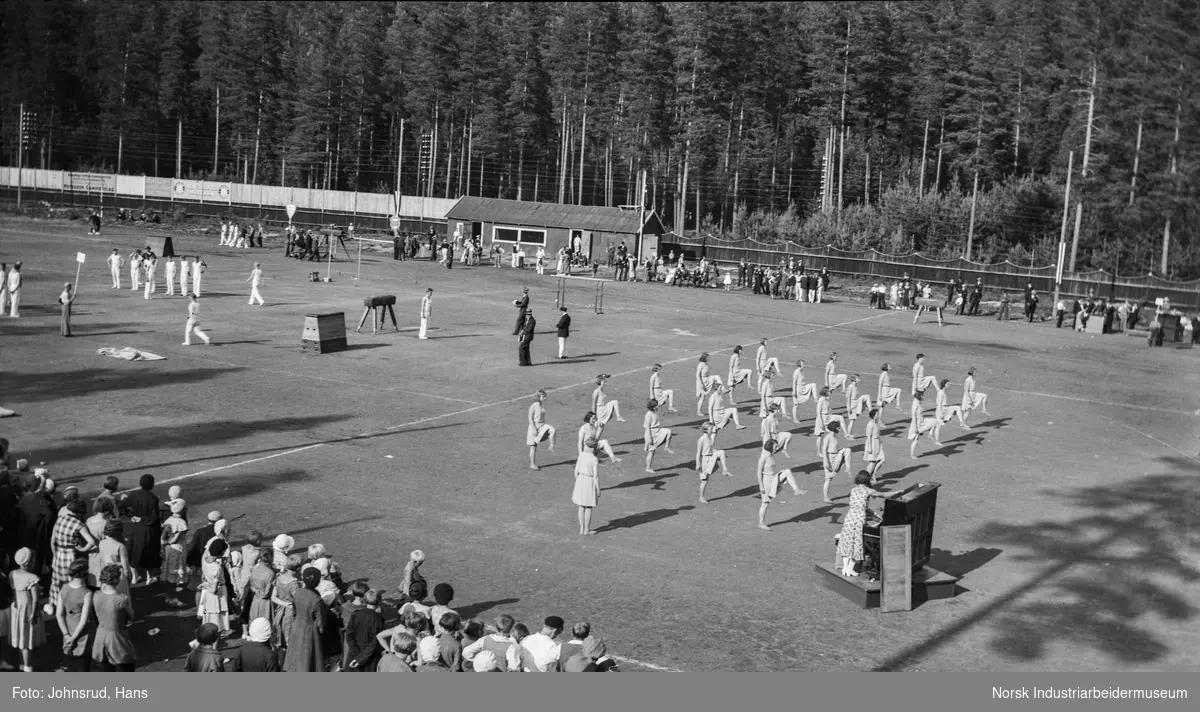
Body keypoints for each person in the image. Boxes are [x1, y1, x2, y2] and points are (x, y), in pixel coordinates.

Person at [837, 472, 893, 577]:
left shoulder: (853, 490)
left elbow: (861, 506)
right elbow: (884, 495)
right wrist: (900, 492)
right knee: (857, 543)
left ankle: (845, 568)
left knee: (847, 542)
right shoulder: (868, 490)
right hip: (858, 520)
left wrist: (875, 514)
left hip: (849, 518)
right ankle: (850, 569)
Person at [91, 564, 136, 671]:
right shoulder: (121, 599)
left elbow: (76, 611)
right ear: (117, 580)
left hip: (100, 637)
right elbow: (131, 616)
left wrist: (71, 612)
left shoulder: (96, 595)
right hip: (117, 639)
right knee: (125, 668)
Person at [9, 548, 45, 671]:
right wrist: (34, 613)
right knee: (27, 639)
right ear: (29, 562)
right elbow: (35, 599)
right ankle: (28, 666)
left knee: (20, 637)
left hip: (17, 608)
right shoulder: (32, 577)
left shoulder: (12, 573)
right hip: (28, 609)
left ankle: (21, 663)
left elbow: (14, 591)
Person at [55, 559, 95, 671]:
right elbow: (83, 619)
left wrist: (66, 635)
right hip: (83, 633)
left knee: (71, 662)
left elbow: (61, 614)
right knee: (84, 664)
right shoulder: (87, 593)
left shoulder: (64, 588)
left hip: (69, 628)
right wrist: (74, 638)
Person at [756, 440, 805, 531]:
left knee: (787, 472)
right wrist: (761, 486)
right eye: (775, 446)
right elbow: (758, 472)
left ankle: (796, 490)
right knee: (765, 503)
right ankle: (761, 523)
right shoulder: (763, 457)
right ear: (770, 446)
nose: (776, 447)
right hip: (767, 482)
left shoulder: (771, 454)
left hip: (773, 479)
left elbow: (778, 450)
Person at [124, 473, 162, 588]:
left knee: (133, 550)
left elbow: (121, 506)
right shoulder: (153, 499)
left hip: (136, 528)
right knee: (149, 552)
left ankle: (135, 577)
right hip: (149, 530)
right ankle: (149, 577)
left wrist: (131, 516)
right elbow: (154, 518)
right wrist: (142, 519)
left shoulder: (134, 495)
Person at [286, 567, 327, 671]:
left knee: (295, 655)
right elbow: (321, 623)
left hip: (297, 626)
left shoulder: (298, 592)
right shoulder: (316, 600)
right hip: (310, 631)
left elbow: (294, 611)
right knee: (308, 659)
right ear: (317, 581)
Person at [345, 589, 385, 671]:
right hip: (370, 657)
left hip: (354, 653)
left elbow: (349, 637)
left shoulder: (355, 614)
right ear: (379, 601)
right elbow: (374, 642)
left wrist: (357, 655)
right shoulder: (378, 619)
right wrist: (360, 658)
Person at [695, 423, 733, 504]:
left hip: (710, 458)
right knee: (704, 480)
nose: (712, 430)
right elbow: (698, 453)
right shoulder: (701, 439)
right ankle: (701, 497)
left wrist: (716, 431)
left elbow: (711, 446)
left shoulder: (709, 438)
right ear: (706, 429)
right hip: (704, 460)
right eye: (711, 429)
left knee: (722, 452)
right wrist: (698, 464)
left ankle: (725, 470)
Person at [573, 438, 602, 535]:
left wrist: (578, 481)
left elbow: (576, 470)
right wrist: (598, 489)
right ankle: (586, 529)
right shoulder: (594, 459)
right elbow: (596, 476)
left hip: (581, 479)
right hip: (589, 481)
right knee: (588, 507)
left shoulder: (581, 455)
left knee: (581, 506)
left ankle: (581, 528)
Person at [819, 421, 852, 504]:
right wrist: (826, 462)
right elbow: (824, 450)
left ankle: (847, 467)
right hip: (829, 458)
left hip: (836, 456)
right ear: (834, 428)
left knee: (847, 450)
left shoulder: (834, 437)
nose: (839, 429)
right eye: (838, 428)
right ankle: (825, 497)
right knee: (828, 479)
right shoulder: (828, 437)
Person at [527, 390, 556, 471]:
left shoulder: (541, 405)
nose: (545, 398)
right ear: (539, 397)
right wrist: (533, 428)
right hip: (534, 426)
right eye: (543, 396)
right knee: (533, 447)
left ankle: (551, 445)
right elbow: (530, 417)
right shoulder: (535, 405)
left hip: (542, 425)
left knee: (552, 430)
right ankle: (532, 464)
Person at [908, 390, 943, 458]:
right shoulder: (915, 403)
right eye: (922, 395)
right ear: (919, 395)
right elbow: (913, 416)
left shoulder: (918, 402)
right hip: (917, 424)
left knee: (935, 421)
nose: (923, 396)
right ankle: (912, 455)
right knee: (915, 439)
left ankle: (930, 435)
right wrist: (915, 427)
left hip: (923, 421)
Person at [642, 399, 674, 473]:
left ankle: (666, 447)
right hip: (651, 433)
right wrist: (649, 438)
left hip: (658, 431)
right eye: (656, 405)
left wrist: (663, 402)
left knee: (668, 431)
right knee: (651, 451)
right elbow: (647, 427)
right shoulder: (649, 415)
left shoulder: (654, 412)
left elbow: (659, 404)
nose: (658, 406)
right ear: (653, 407)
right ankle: (648, 468)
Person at [862, 408, 886, 484]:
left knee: (882, 459)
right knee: (872, 462)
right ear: (873, 416)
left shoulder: (876, 422)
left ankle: (873, 474)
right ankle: (867, 477)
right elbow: (868, 436)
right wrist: (869, 447)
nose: (878, 415)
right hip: (872, 443)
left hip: (878, 442)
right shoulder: (870, 424)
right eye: (877, 414)